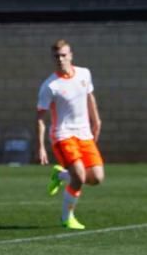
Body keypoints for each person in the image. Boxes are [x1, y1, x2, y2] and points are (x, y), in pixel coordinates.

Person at [37, 39, 104, 230]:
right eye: (57, 56)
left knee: (97, 178)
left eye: (64, 55)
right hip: (63, 135)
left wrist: (96, 120)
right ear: (53, 58)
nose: (60, 59)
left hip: (84, 134)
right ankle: (67, 217)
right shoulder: (50, 86)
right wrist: (41, 146)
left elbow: (90, 96)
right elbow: (40, 117)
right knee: (80, 176)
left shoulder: (84, 73)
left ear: (71, 55)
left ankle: (61, 175)